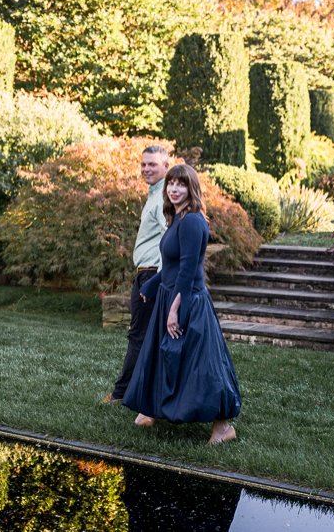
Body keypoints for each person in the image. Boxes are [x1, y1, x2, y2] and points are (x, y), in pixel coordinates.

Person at [122, 164, 241, 445]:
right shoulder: (177, 218)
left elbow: (188, 273)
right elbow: (172, 265)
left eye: (181, 184)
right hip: (170, 295)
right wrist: (152, 286)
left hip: (188, 301)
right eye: (171, 183)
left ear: (191, 188)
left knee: (200, 365)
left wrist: (176, 310)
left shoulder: (192, 222)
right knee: (160, 357)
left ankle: (223, 428)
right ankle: (150, 412)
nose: (174, 189)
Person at [102, 145, 169, 405]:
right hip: (147, 274)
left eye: (152, 164)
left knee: (138, 335)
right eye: (143, 164)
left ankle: (121, 394)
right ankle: (144, 392)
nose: (146, 169)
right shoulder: (154, 196)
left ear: (166, 167)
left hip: (151, 276)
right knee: (145, 335)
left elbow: (170, 239)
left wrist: (157, 280)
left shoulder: (162, 198)